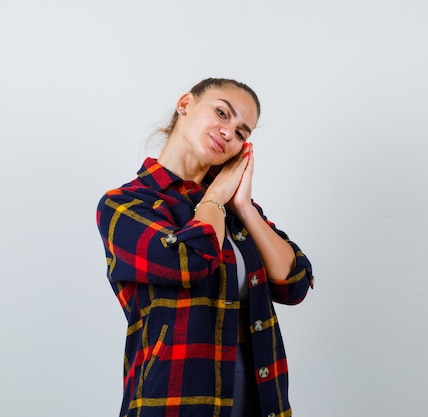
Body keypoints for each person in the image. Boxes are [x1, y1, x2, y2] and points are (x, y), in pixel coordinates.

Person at [96, 77, 314, 417]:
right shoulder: (124, 204)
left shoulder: (234, 208)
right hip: (176, 395)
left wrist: (242, 207)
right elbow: (190, 261)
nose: (229, 133)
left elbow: (295, 282)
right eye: (222, 113)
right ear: (185, 104)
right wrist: (214, 197)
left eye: (242, 132)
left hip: (260, 389)